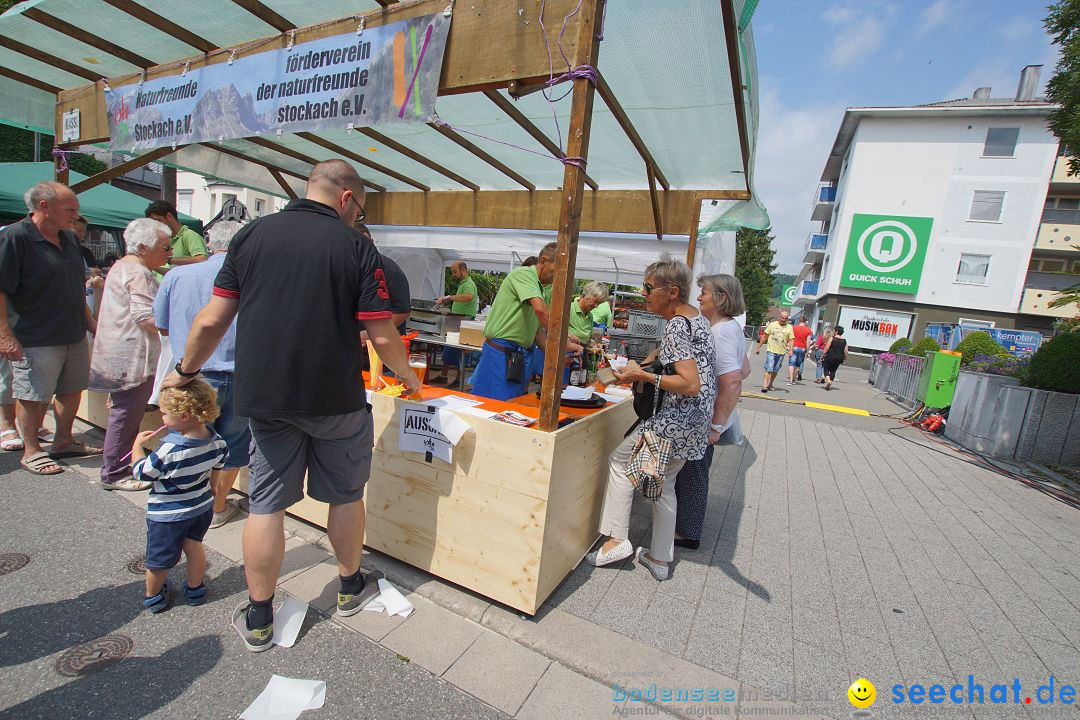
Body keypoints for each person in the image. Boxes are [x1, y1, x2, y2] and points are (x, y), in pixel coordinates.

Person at [161, 159, 419, 652]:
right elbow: (382, 333)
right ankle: (349, 588)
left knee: (266, 505)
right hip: (335, 397)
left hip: (267, 398)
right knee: (345, 496)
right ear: (347, 197)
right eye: (360, 208)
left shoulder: (251, 236)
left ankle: (259, 618)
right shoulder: (356, 248)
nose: (357, 216)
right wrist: (408, 378)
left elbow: (212, 320)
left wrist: (186, 371)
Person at [586, 255, 715, 581]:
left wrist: (644, 378)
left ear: (672, 292)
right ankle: (659, 559)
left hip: (674, 421)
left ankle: (616, 539)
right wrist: (641, 368)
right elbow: (678, 361)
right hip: (695, 424)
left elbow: (689, 383)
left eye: (647, 288)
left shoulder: (675, 326)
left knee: (619, 463)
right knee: (664, 484)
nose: (643, 293)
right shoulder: (695, 318)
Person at [0, 182, 100, 476]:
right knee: (33, 394)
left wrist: (89, 322)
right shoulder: (15, 238)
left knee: (72, 388)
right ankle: (31, 450)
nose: (76, 214)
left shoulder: (68, 239)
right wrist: (5, 335)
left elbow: (75, 287)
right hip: (35, 333)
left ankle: (63, 440)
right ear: (44, 206)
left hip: (72, 331)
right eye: (70, 209)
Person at [154, 220, 249, 528]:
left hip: (189, 374)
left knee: (185, 440)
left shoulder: (177, 274)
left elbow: (162, 324)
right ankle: (217, 507)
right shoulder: (250, 277)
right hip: (239, 373)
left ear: (210, 243)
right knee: (233, 445)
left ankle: (181, 503)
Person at [131, 380, 228, 613]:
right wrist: (213, 487)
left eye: (164, 414)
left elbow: (142, 473)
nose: (162, 419)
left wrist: (137, 446)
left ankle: (153, 596)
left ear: (183, 415)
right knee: (194, 546)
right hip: (201, 506)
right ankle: (196, 589)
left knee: (159, 561)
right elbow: (218, 466)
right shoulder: (218, 442)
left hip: (168, 514)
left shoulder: (168, 451)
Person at [90, 218, 172, 490]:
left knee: (123, 413)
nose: (169, 253)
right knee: (125, 415)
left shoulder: (122, 267)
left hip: (120, 354)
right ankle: (114, 472)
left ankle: (117, 465)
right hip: (132, 357)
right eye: (164, 247)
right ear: (142, 247)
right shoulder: (138, 272)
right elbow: (145, 317)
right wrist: (176, 327)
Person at [673, 273, 751, 549]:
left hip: (706, 418)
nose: (698, 297)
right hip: (709, 416)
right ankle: (686, 527)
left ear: (721, 298)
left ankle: (687, 533)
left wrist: (716, 425)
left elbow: (732, 380)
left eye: (703, 292)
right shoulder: (730, 328)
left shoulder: (720, 332)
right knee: (694, 470)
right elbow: (746, 369)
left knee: (693, 473)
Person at [470, 242, 581, 401]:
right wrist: (564, 341)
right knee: (490, 406)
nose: (559, 276)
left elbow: (538, 333)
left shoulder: (544, 289)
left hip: (518, 358)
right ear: (543, 261)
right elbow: (540, 311)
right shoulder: (523, 274)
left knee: (513, 406)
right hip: (500, 355)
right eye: (556, 270)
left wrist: (558, 353)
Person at [430, 260, 477, 387]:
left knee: (460, 351)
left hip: (465, 322)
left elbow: (468, 296)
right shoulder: (463, 283)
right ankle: (444, 376)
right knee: (450, 349)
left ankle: (458, 380)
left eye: (455, 272)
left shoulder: (468, 284)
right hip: (458, 321)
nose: (453, 275)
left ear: (463, 270)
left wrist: (449, 297)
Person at [145, 200, 208, 271]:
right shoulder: (165, 239)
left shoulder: (189, 235)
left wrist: (169, 259)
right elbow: (170, 273)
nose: (155, 225)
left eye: (158, 220)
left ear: (169, 216)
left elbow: (202, 259)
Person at [754, 309, 794, 393]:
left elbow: (791, 340)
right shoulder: (772, 325)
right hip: (771, 350)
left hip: (781, 352)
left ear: (787, 319)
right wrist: (758, 347)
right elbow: (764, 336)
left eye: (785, 318)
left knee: (775, 370)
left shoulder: (789, 327)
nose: (783, 320)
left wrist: (791, 350)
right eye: (782, 318)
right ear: (779, 317)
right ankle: (765, 385)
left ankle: (770, 384)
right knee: (769, 368)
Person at [788, 316, 813, 385]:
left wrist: (788, 346)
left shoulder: (793, 328)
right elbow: (808, 342)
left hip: (793, 347)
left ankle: (790, 380)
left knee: (791, 364)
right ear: (805, 322)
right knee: (798, 365)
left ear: (799, 321)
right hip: (802, 349)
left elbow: (790, 338)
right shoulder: (808, 330)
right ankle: (793, 379)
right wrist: (807, 352)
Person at [821, 326, 848, 390]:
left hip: (830, 356)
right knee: (833, 371)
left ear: (837, 331)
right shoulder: (844, 340)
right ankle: (829, 385)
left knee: (826, 369)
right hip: (839, 358)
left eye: (834, 331)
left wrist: (823, 355)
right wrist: (844, 359)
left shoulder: (832, 338)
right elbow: (846, 351)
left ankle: (828, 381)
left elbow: (827, 347)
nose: (834, 332)